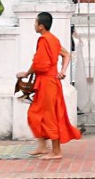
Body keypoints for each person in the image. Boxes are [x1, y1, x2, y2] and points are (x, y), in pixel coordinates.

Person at [16, 12, 81, 160]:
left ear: (41, 26)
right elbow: (66, 55)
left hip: (47, 82)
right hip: (48, 82)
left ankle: (56, 151)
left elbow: (39, 64)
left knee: (49, 116)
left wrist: (26, 74)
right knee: (35, 113)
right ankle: (42, 145)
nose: (34, 25)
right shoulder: (53, 40)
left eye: (35, 23)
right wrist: (63, 70)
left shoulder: (44, 40)